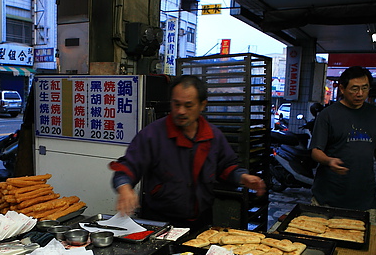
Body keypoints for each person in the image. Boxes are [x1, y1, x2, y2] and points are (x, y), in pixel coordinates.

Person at [109, 75, 266, 230]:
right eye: (176, 104)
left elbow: (226, 167)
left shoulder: (212, 136)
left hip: (201, 221)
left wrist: (243, 177)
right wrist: (125, 188)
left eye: (188, 105)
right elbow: (127, 167)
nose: (181, 111)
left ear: (202, 105)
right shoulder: (153, 135)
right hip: (159, 221)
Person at [309, 66, 376, 222]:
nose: (360, 94)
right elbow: (315, 151)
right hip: (329, 195)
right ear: (342, 88)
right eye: (355, 89)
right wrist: (329, 161)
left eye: (365, 88)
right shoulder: (327, 115)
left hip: (363, 196)